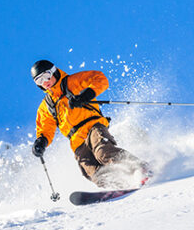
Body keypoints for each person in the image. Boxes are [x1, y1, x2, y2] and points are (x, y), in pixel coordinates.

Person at [31, 59, 150, 188]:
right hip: (76, 141)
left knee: (103, 152)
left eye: (46, 76)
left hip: (93, 127)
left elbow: (100, 79)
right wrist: (41, 141)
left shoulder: (73, 82)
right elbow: (45, 128)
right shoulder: (46, 106)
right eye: (39, 80)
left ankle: (139, 168)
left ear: (54, 72)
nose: (45, 82)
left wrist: (87, 95)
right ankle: (118, 185)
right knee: (93, 171)